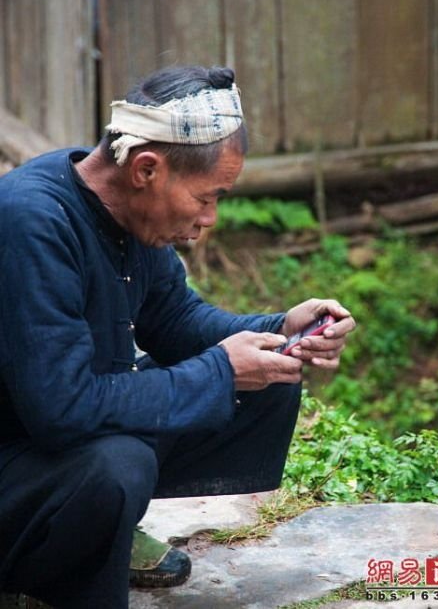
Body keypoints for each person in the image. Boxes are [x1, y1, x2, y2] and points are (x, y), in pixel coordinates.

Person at [0, 65, 355, 608]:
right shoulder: (33, 220)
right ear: (147, 168)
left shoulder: (128, 208)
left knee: (264, 380)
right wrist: (220, 370)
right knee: (118, 466)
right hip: (19, 448)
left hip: (58, 431)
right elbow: (61, 407)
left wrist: (279, 329)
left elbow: (177, 323)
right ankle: (62, 556)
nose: (210, 218)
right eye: (206, 197)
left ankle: (99, 531)